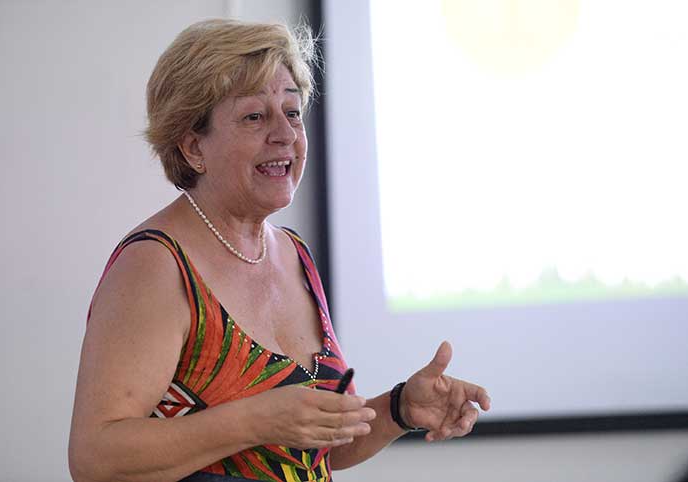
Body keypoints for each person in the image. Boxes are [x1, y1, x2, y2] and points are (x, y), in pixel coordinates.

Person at [68, 18, 491, 482]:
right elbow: (96, 459)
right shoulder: (156, 265)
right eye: (254, 117)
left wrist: (398, 409)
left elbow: (308, 450)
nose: (285, 135)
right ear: (192, 148)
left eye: (292, 112)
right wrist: (255, 420)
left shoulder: (293, 253)